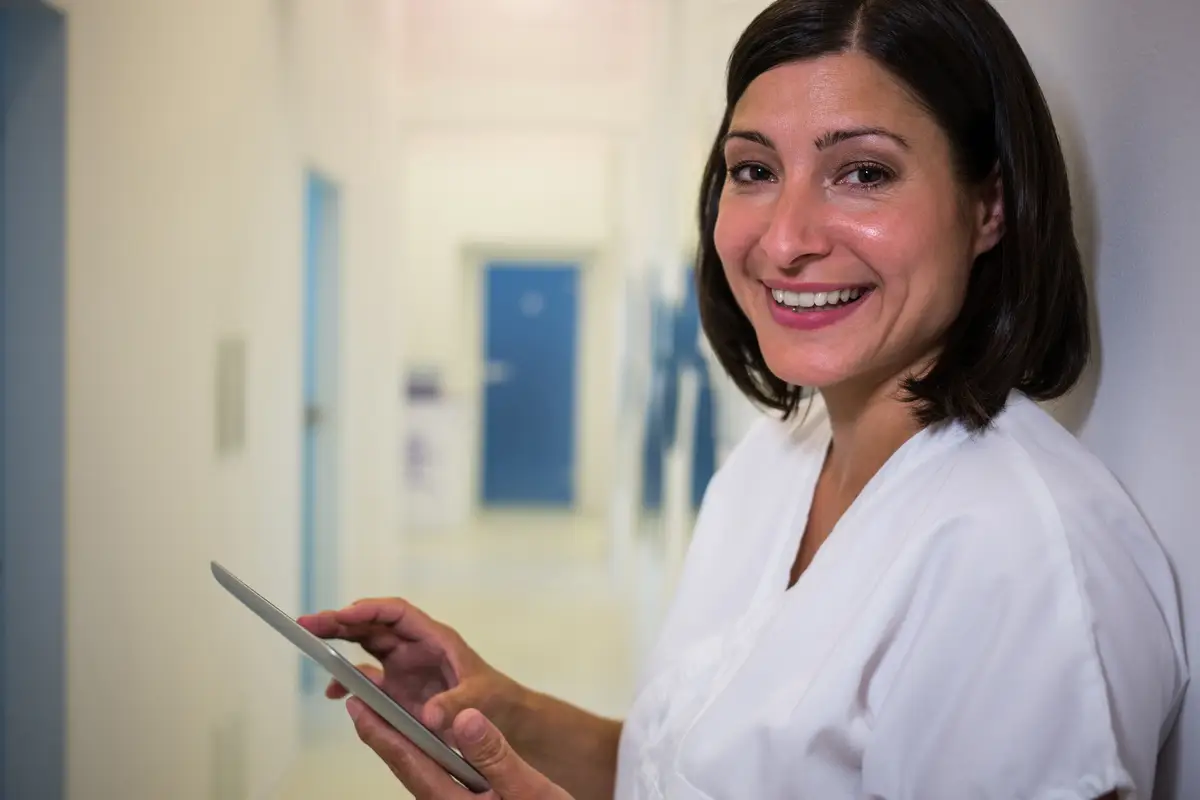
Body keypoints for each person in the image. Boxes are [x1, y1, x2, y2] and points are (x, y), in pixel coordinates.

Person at [298, 0, 1190, 796]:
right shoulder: (775, 458)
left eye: (864, 172)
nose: (786, 239)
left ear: (990, 206)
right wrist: (501, 716)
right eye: (754, 169)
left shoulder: (1027, 567)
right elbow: (685, 769)